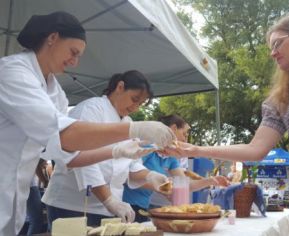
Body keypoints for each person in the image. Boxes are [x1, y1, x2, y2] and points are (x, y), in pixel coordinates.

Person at [165, 14, 289, 236]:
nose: (272, 52)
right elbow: (255, 149)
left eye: (277, 43)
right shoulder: (280, 99)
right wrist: (195, 150)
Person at [0, 11, 175, 235]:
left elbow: (72, 155)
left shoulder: (56, 93)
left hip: (15, 194)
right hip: (62, 200)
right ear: (52, 38)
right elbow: (66, 137)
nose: (74, 62)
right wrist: (134, 130)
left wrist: (118, 154)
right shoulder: (13, 72)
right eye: (73, 52)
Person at [43, 71, 169, 228]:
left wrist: (150, 176)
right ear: (120, 86)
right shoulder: (91, 109)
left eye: (140, 104)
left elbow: (132, 164)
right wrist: (109, 200)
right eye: (134, 99)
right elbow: (84, 161)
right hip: (72, 205)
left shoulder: (127, 121)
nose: (135, 107)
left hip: (108, 208)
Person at [123, 114, 229, 223]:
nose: (185, 138)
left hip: (143, 206)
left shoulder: (171, 158)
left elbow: (185, 184)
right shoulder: (146, 148)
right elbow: (128, 175)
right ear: (173, 129)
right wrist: (161, 187)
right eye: (184, 133)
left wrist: (210, 181)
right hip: (125, 205)